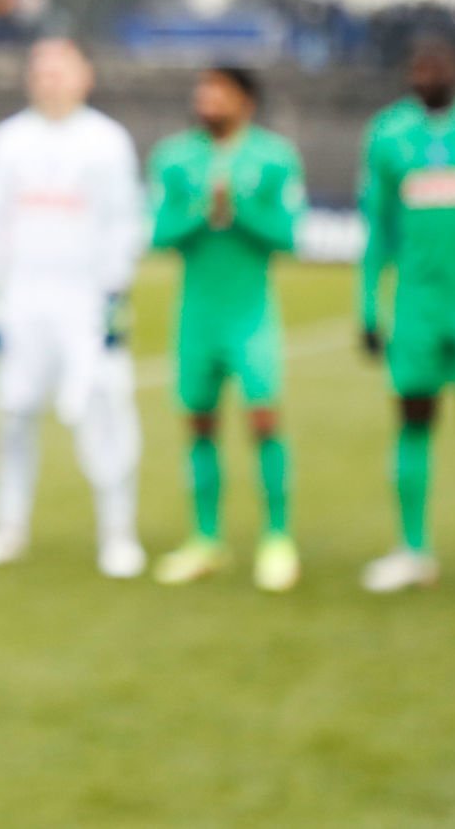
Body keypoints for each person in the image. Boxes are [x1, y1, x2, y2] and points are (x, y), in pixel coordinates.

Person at [0, 39, 148, 578]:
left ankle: (118, 534)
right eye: (41, 71)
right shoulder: (7, 141)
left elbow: (123, 221)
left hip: (84, 301)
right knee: (12, 414)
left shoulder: (107, 141)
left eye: (61, 70)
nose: (50, 80)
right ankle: (7, 528)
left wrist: (115, 294)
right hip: (22, 300)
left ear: (85, 76)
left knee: (103, 413)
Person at [148, 66, 306, 591]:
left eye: (220, 93)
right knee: (198, 423)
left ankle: (277, 537)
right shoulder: (174, 157)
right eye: (203, 92)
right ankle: (205, 538)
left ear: (246, 101)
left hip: (251, 315)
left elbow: (288, 235)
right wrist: (204, 211)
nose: (208, 101)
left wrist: (238, 210)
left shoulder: (275, 157)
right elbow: (160, 233)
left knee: (263, 419)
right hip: (196, 316)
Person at [355, 34, 455, 592]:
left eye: (438, 65)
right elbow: (377, 228)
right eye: (419, 66)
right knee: (413, 420)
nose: (429, 74)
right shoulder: (388, 134)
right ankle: (413, 550)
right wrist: (367, 306)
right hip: (417, 308)